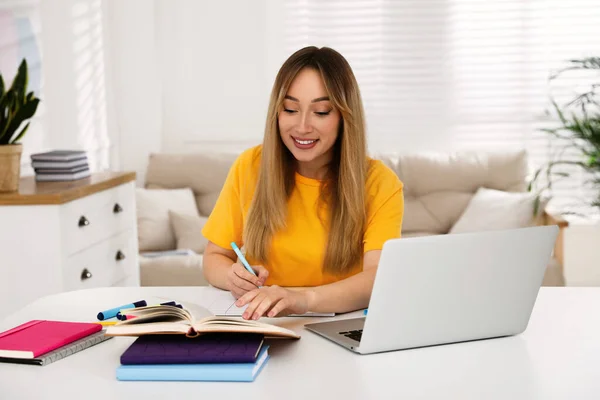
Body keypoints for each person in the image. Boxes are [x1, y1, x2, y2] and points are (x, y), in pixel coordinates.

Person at [201, 46, 404, 320]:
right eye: (290, 109)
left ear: (345, 116)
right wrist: (231, 276)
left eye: (321, 112)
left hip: (342, 323)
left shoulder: (380, 183)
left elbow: (378, 277)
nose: (303, 126)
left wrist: (303, 299)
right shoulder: (250, 166)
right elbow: (214, 257)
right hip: (264, 323)